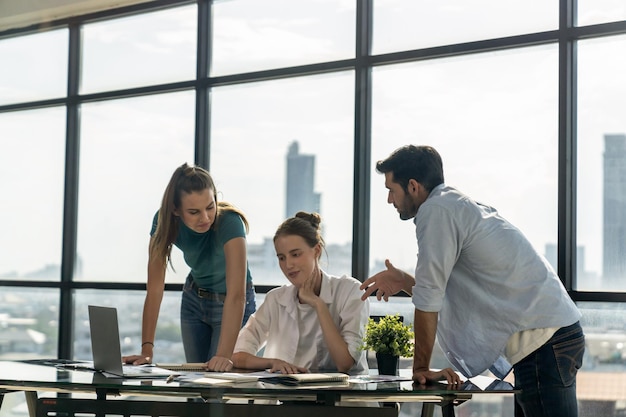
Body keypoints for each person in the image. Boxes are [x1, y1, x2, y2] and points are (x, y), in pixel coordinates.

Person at [360, 145, 584, 417]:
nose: (388, 200)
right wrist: (405, 281)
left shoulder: (436, 211)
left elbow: (430, 297)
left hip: (545, 342)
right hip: (551, 335)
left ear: (413, 186)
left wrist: (420, 369)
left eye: (390, 189)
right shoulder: (453, 204)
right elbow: (446, 285)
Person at [123, 163, 256, 372]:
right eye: (194, 212)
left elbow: (237, 295)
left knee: (217, 383)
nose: (205, 218)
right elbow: (155, 290)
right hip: (194, 301)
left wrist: (223, 356)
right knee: (195, 382)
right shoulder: (163, 222)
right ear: (175, 209)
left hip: (232, 302)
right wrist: (146, 351)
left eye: (210, 207)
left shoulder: (230, 222)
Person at [232, 211, 369, 375]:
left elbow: (345, 363)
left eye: (295, 254)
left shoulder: (350, 291)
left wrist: (318, 304)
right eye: (281, 258)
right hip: (287, 397)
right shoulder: (276, 299)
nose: (288, 264)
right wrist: (273, 362)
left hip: (338, 398)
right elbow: (237, 356)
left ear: (316, 251)